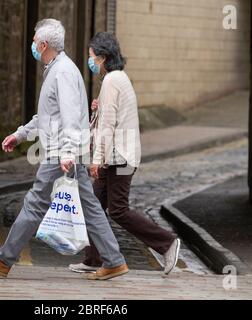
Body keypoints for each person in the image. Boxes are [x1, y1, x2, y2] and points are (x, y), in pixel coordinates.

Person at [0, 19, 128, 281]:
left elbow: (68, 116)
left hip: (61, 153)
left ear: (44, 45)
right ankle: (114, 260)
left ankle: (3, 259)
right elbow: (47, 115)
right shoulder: (56, 69)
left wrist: (67, 152)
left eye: (34, 41)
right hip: (68, 151)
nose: (32, 44)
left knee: (35, 203)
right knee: (89, 205)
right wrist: (21, 134)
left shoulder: (62, 72)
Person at [69, 32, 181, 275]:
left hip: (119, 156)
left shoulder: (111, 81)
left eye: (92, 57)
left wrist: (96, 159)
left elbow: (109, 125)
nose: (90, 62)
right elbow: (114, 116)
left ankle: (167, 243)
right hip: (119, 154)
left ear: (103, 57)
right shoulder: (118, 79)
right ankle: (93, 259)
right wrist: (99, 109)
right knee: (94, 204)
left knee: (118, 209)